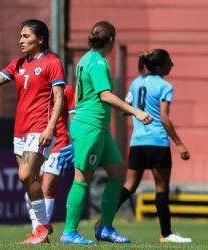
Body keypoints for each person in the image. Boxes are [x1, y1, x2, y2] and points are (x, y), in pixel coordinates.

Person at [0, 19, 65, 244]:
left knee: (25, 175)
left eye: (26, 36)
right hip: (20, 131)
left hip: (40, 127)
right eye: (20, 36)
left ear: (41, 39)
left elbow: (59, 98)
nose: (21, 40)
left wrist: (50, 127)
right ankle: (39, 234)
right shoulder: (17, 64)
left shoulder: (52, 62)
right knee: (29, 181)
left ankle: (43, 226)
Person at [59, 21, 153, 244]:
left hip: (98, 127)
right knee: (82, 179)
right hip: (89, 126)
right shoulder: (98, 62)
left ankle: (105, 228)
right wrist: (134, 111)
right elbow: (105, 95)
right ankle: (69, 232)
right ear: (111, 40)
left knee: (118, 174)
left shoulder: (86, 59)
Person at [117, 49, 191, 243]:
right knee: (161, 188)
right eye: (169, 62)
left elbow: (126, 109)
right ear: (159, 67)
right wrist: (180, 144)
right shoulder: (165, 86)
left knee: (129, 186)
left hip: (137, 142)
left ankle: (103, 221)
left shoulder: (136, 82)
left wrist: (139, 112)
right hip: (157, 141)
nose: (172, 65)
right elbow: (164, 118)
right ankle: (165, 234)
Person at [25, 84, 75, 232]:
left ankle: (41, 231)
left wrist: (74, 142)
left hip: (59, 144)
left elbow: (72, 116)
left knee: (47, 187)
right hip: (38, 142)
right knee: (31, 183)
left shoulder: (67, 89)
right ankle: (39, 226)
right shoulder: (37, 86)